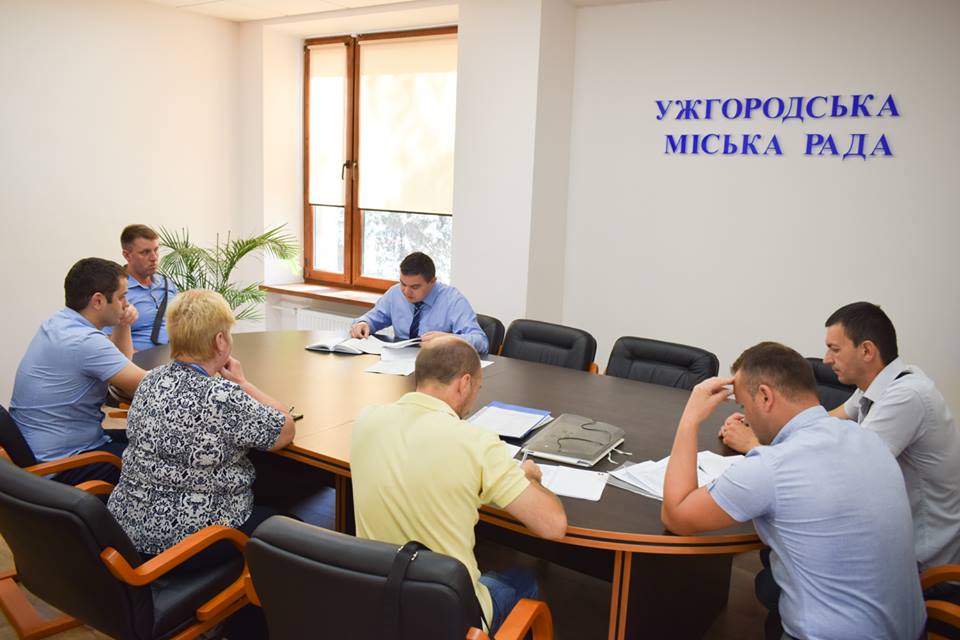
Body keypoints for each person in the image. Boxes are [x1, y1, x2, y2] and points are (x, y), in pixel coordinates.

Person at [662, 342, 924, 640]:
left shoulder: (771, 467)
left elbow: (676, 515)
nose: (746, 416)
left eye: (744, 406)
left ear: (765, 396)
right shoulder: (866, 438)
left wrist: (690, 419)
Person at [721, 302, 960, 572]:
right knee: (777, 552)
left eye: (834, 349)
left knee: (781, 550)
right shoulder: (881, 383)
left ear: (866, 350)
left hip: (920, 560)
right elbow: (822, 421)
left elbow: (843, 472)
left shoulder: (906, 396)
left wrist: (754, 445)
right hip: (884, 532)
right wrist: (758, 422)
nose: (826, 359)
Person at [350, 336, 567, 634]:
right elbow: (553, 526)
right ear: (464, 383)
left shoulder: (366, 421)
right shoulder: (476, 443)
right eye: (478, 387)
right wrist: (527, 478)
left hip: (377, 599)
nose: (475, 395)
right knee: (523, 580)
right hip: (447, 618)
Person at [107, 289, 295, 561]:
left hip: (127, 533)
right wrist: (242, 383)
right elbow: (285, 430)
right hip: (190, 545)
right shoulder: (222, 397)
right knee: (290, 526)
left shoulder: (149, 380)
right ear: (220, 341)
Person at [10, 258, 145, 484]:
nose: (127, 304)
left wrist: (123, 324)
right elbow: (150, 387)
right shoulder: (84, 341)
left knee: (144, 437)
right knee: (158, 458)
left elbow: (121, 363)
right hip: (62, 465)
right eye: (122, 296)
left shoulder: (58, 323)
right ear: (98, 301)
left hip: (41, 451)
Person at [349, 252, 489, 355]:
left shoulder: (453, 300)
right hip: (399, 363)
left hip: (439, 367)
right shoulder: (395, 293)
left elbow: (481, 342)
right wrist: (363, 324)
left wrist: (449, 340)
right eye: (403, 283)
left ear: (432, 281)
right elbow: (373, 318)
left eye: (415, 287)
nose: (406, 291)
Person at [117, 224, 178, 351]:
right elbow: (108, 343)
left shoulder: (166, 283)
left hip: (177, 354)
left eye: (156, 250)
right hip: (139, 359)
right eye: (145, 252)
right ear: (127, 255)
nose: (154, 258)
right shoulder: (117, 291)